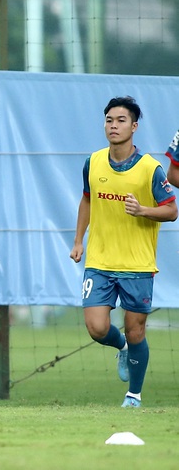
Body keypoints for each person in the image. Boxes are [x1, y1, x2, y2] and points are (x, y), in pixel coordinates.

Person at [70, 96, 176, 408]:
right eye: (109, 120)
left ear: (134, 126)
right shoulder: (94, 162)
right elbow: (87, 200)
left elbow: (171, 210)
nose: (113, 126)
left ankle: (134, 395)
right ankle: (121, 347)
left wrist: (143, 210)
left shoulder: (150, 169)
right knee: (97, 327)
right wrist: (78, 241)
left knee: (136, 330)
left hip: (137, 265)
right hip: (100, 261)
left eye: (120, 121)